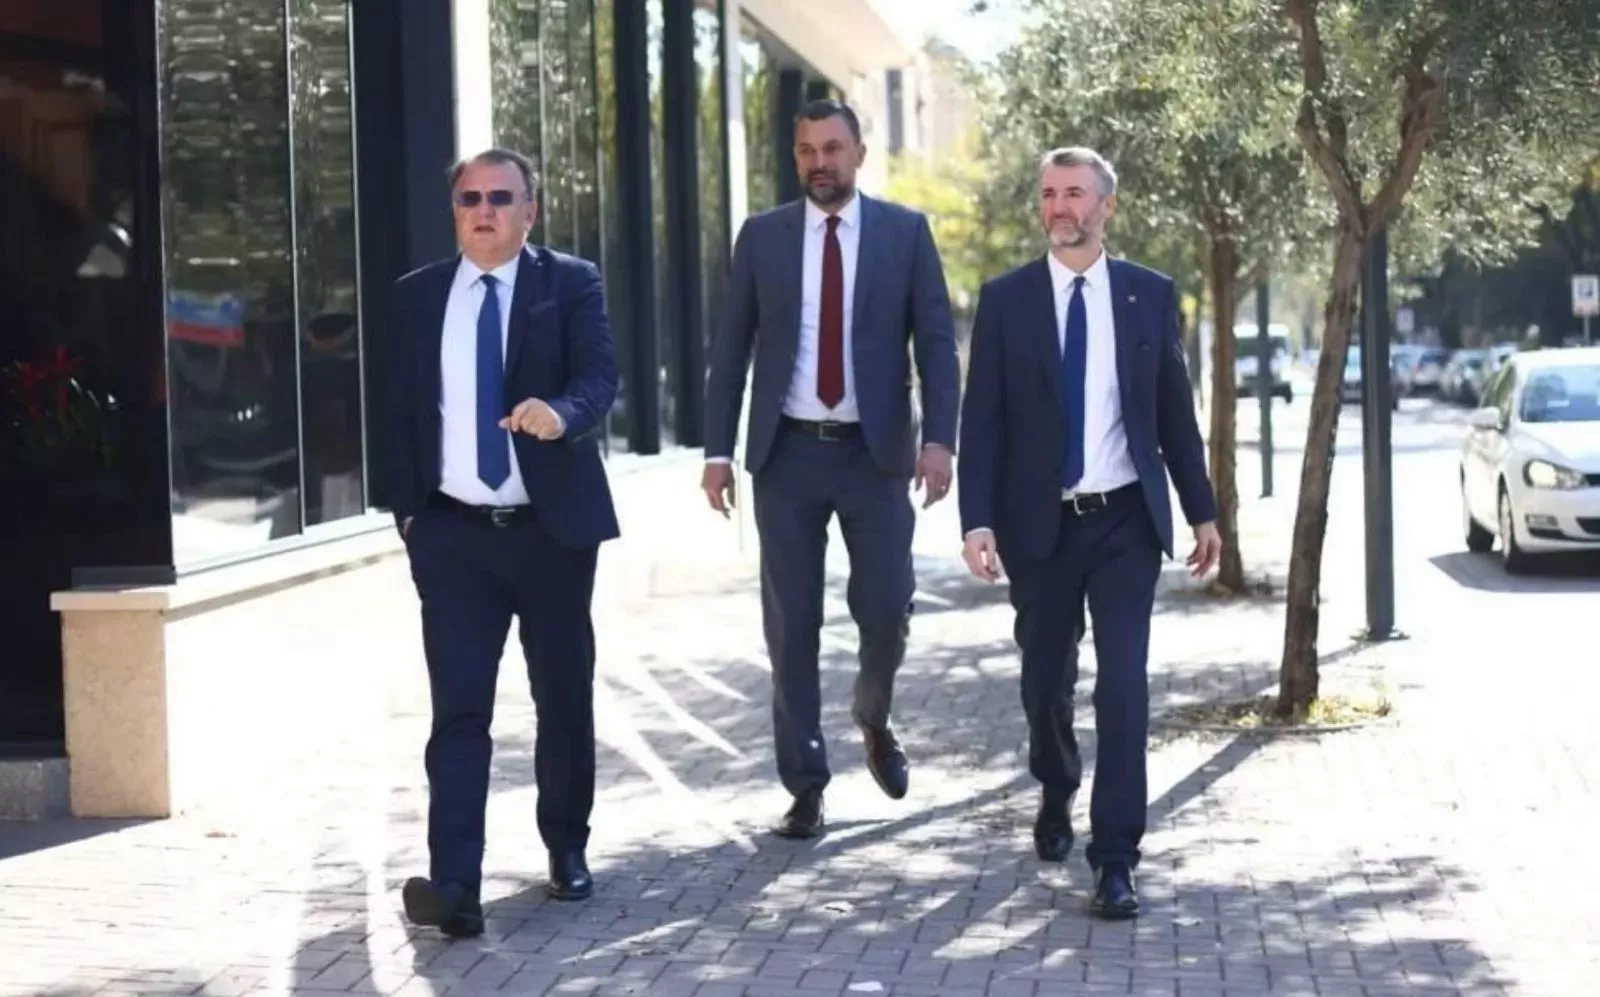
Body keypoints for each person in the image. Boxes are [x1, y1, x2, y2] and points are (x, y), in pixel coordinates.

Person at [956, 146, 1222, 920]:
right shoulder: (1006, 300)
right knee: (1045, 683)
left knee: (1125, 686)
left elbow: (1173, 413)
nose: (1059, 207)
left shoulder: (1148, 295)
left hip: (1124, 522)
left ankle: (1115, 858)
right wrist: (977, 519)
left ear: (1107, 205)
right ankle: (1056, 782)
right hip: (1038, 526)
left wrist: (1202, 510)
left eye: (1074, 193)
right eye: (1049, 194)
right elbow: (983, 418)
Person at [701, 99, 961, 839]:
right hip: (786, 453)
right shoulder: (763, 237)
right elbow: (731, 349)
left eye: (833, 148)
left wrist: (940, 441)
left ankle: (873, 716)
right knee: (792, 626)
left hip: (875, 456)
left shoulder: (905, 234)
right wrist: (717, 452)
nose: (821, 162)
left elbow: (936, 345)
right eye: (807, 150)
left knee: (887, 608)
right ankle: (806, 784)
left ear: (859, 154)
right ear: (796, 157)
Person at [386, 148, 619, 935]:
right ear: (455, 211)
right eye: (469, 198)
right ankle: (456, 886)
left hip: (550, 532)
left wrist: (562, 413)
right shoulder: (417, 296)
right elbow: (397, 411)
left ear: (530, 210)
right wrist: (410, 516)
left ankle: (566, 844)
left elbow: (601, 376)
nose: (483, 210)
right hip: (453, 535)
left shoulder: (569, 283)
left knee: (563, 693)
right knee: (458, 710)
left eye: (499, 197)